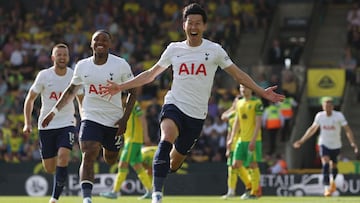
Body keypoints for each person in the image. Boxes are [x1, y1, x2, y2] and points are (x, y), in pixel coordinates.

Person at [100, 3, 284, 203]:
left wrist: (261, 92)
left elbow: (238, 75)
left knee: (174, 163)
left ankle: (163, 168)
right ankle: (157, 195)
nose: (193, 27)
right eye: (190, 23)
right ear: (184, 25)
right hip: (174, 105)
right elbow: (151, 74)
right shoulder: (174, 49)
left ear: (204, 26)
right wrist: (121, 86)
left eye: (198, 23)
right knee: (165, 138)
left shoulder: (214, 51)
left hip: (196, 115)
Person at [41, 30, 137, 203]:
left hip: (114, 120)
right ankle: (87, 198)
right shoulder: (82, 66)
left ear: (110, 43)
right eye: (96, 40)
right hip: (91, 117)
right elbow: (71, 90)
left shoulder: (120, 65)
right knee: (89, 152)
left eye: (104, 40)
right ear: (91, 44)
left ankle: (108, 147)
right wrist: (53, 112)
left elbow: (133, 91)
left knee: (110, 159)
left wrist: (124, 119)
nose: (100, 42)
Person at [23, 43, 84, 203]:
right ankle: (58, 180)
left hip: (67, 123)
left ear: (68, 57)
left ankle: (54, 199)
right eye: (59, 55)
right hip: (46, 125)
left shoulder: (74, 75)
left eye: (65, 55)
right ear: (53, 58)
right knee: (49, 168)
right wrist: (27, 123)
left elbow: (81, 100)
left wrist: (85, 119)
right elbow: (29, 99)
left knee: (63, 156)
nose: (62, 57)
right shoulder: (44, 76)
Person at [293, 96, 358, 197]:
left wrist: (352, 143)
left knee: (334, 166)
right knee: (326, 163)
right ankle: (326, 188)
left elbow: (347, 130)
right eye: (325, 106)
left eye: (329, 106)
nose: (327, 108)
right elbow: (312, 129)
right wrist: (302, 141)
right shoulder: (320, 116)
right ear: (323, 107)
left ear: (332, 107)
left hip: (336, 145)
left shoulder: (339, 116)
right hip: (324, 144)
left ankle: (333, 181)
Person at [100, 101, 153, 199]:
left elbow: (143, 119)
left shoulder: (133, 104)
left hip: (133, 140)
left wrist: (146, 136)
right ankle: (150, 191)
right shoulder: (124, 107)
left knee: (122, 164)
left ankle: (115, 192)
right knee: (137, 166)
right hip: (132, 140)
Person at [229, 85, 263, 199]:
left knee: (253, 165)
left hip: (254, 139)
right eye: (241, 88)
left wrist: (253, 140)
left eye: (246, 88)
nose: (243, 90)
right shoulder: (239, 102)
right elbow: (237, 122)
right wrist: (231, 138)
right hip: (241, 139)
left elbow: (258, 123)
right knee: (235, 165)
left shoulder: (257, 103)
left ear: (251, 89)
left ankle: (254, 192)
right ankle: (249, 185)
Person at [221, 97, 242, 199]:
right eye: (234, 102)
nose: (235, 103)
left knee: (239, 168)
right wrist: (228, 147)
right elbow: (223, 117)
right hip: (233, 144)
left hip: (240, 143)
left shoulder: (239, 114)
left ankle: (251, 187)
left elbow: (223, 117)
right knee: (233, 168)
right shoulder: (233, 114)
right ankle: (231, 191)